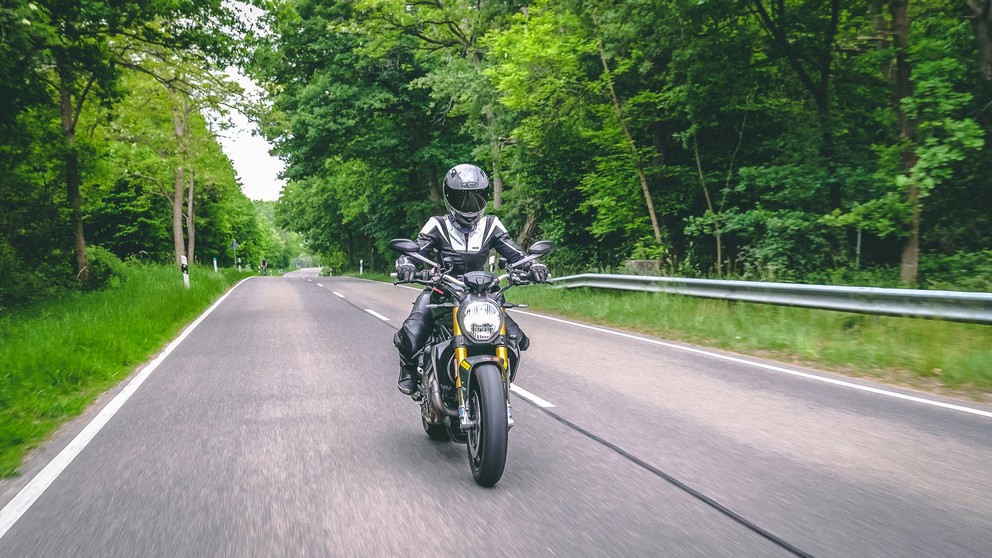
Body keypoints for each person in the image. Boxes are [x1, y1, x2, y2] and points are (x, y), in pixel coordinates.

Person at [393, 164, 549, 394]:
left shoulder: (491, 225)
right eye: (462, 197)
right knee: (411, 335)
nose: (469, 203)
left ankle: (496, 385)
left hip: (482, 294)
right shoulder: (438, 224)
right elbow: (418, 251)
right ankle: (408, 369)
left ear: (484, 196)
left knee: (517, 339)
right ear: (449, 196)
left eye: (476, 196)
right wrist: (407, 265)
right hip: (442, 289)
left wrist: (533, 265)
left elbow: (515, 254)